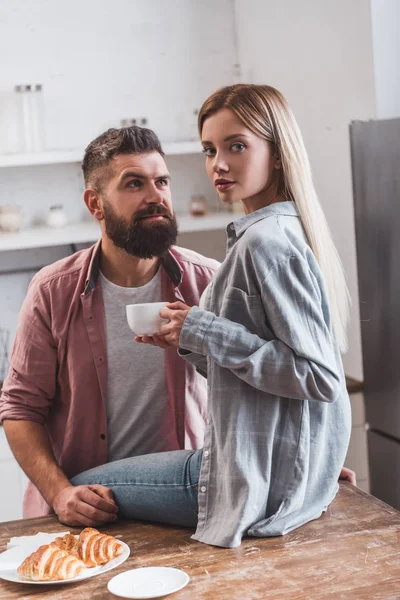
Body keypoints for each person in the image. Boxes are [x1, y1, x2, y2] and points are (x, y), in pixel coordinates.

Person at [72, 84, 353, 548]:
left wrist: (205, 329)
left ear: (278, 154)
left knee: (82, 485)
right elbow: (258, 368)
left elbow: (320, 377)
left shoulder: (266, 243)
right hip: (262, 468)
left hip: (249, 477)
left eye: (236, 146)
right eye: (209, 149)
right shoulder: (271, 233)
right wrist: (190, 337)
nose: (218, 164)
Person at [0, 126, 219, 525]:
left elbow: (255, 382)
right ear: (95, 203)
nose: (156, 196)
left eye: (162, 181)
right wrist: (60, 492)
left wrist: (303, 463)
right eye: (134, 183)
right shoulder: (52, 292)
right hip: (85, 510)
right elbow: (19, 409)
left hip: (186, 507)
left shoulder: (208, 282)